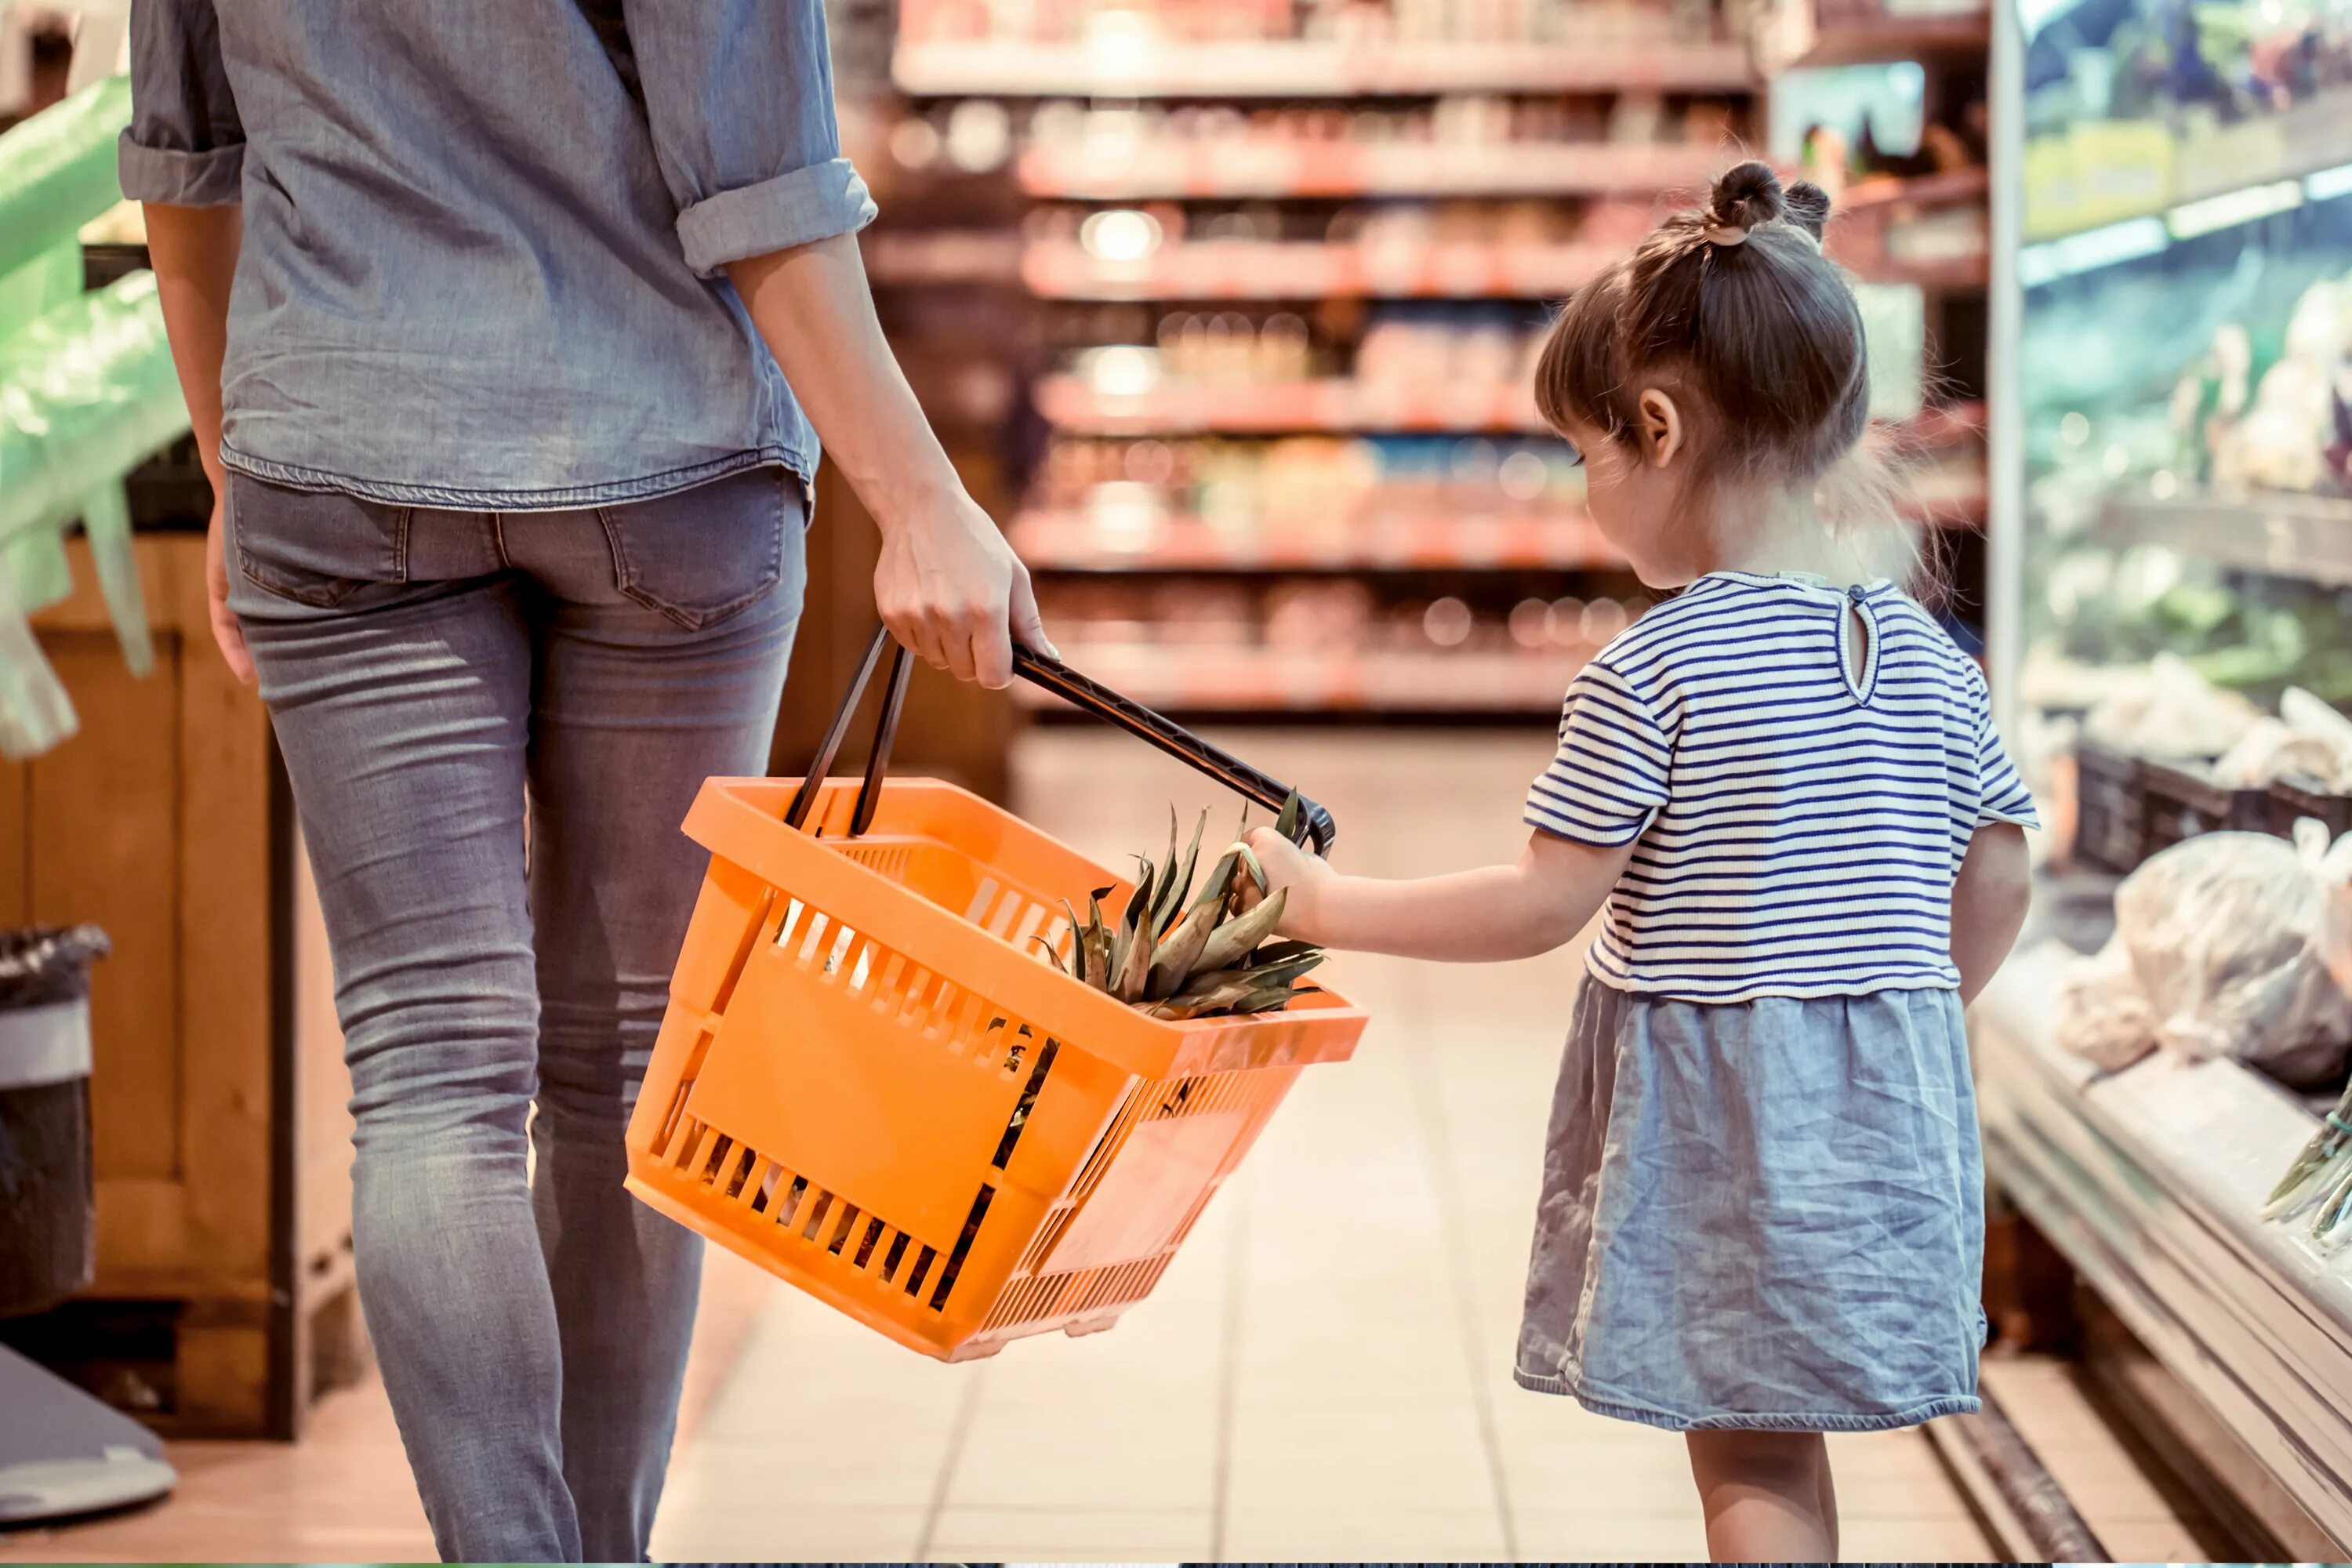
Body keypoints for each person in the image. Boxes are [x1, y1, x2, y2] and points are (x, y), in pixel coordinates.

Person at [122, 3, 1044, 1560]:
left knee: (429, 1082)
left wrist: (234, 463)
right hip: (663, 448)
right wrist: (924, 500)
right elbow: (763, 180)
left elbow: (185, 158)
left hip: (337, 453)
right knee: (628, 1077)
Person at [1243, 162, 2037, 1563]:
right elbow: (2000, 875)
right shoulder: (1926, 659)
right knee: (1790, 1445)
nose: (1586, 485)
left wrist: (1327, 906)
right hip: (1890, 1095)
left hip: (1728, 1109)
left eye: (1584, 453)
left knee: (1743, 1452)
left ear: (1655, 430)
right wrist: (1898, 1001)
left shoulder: (1657, 665)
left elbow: (1544, 902)